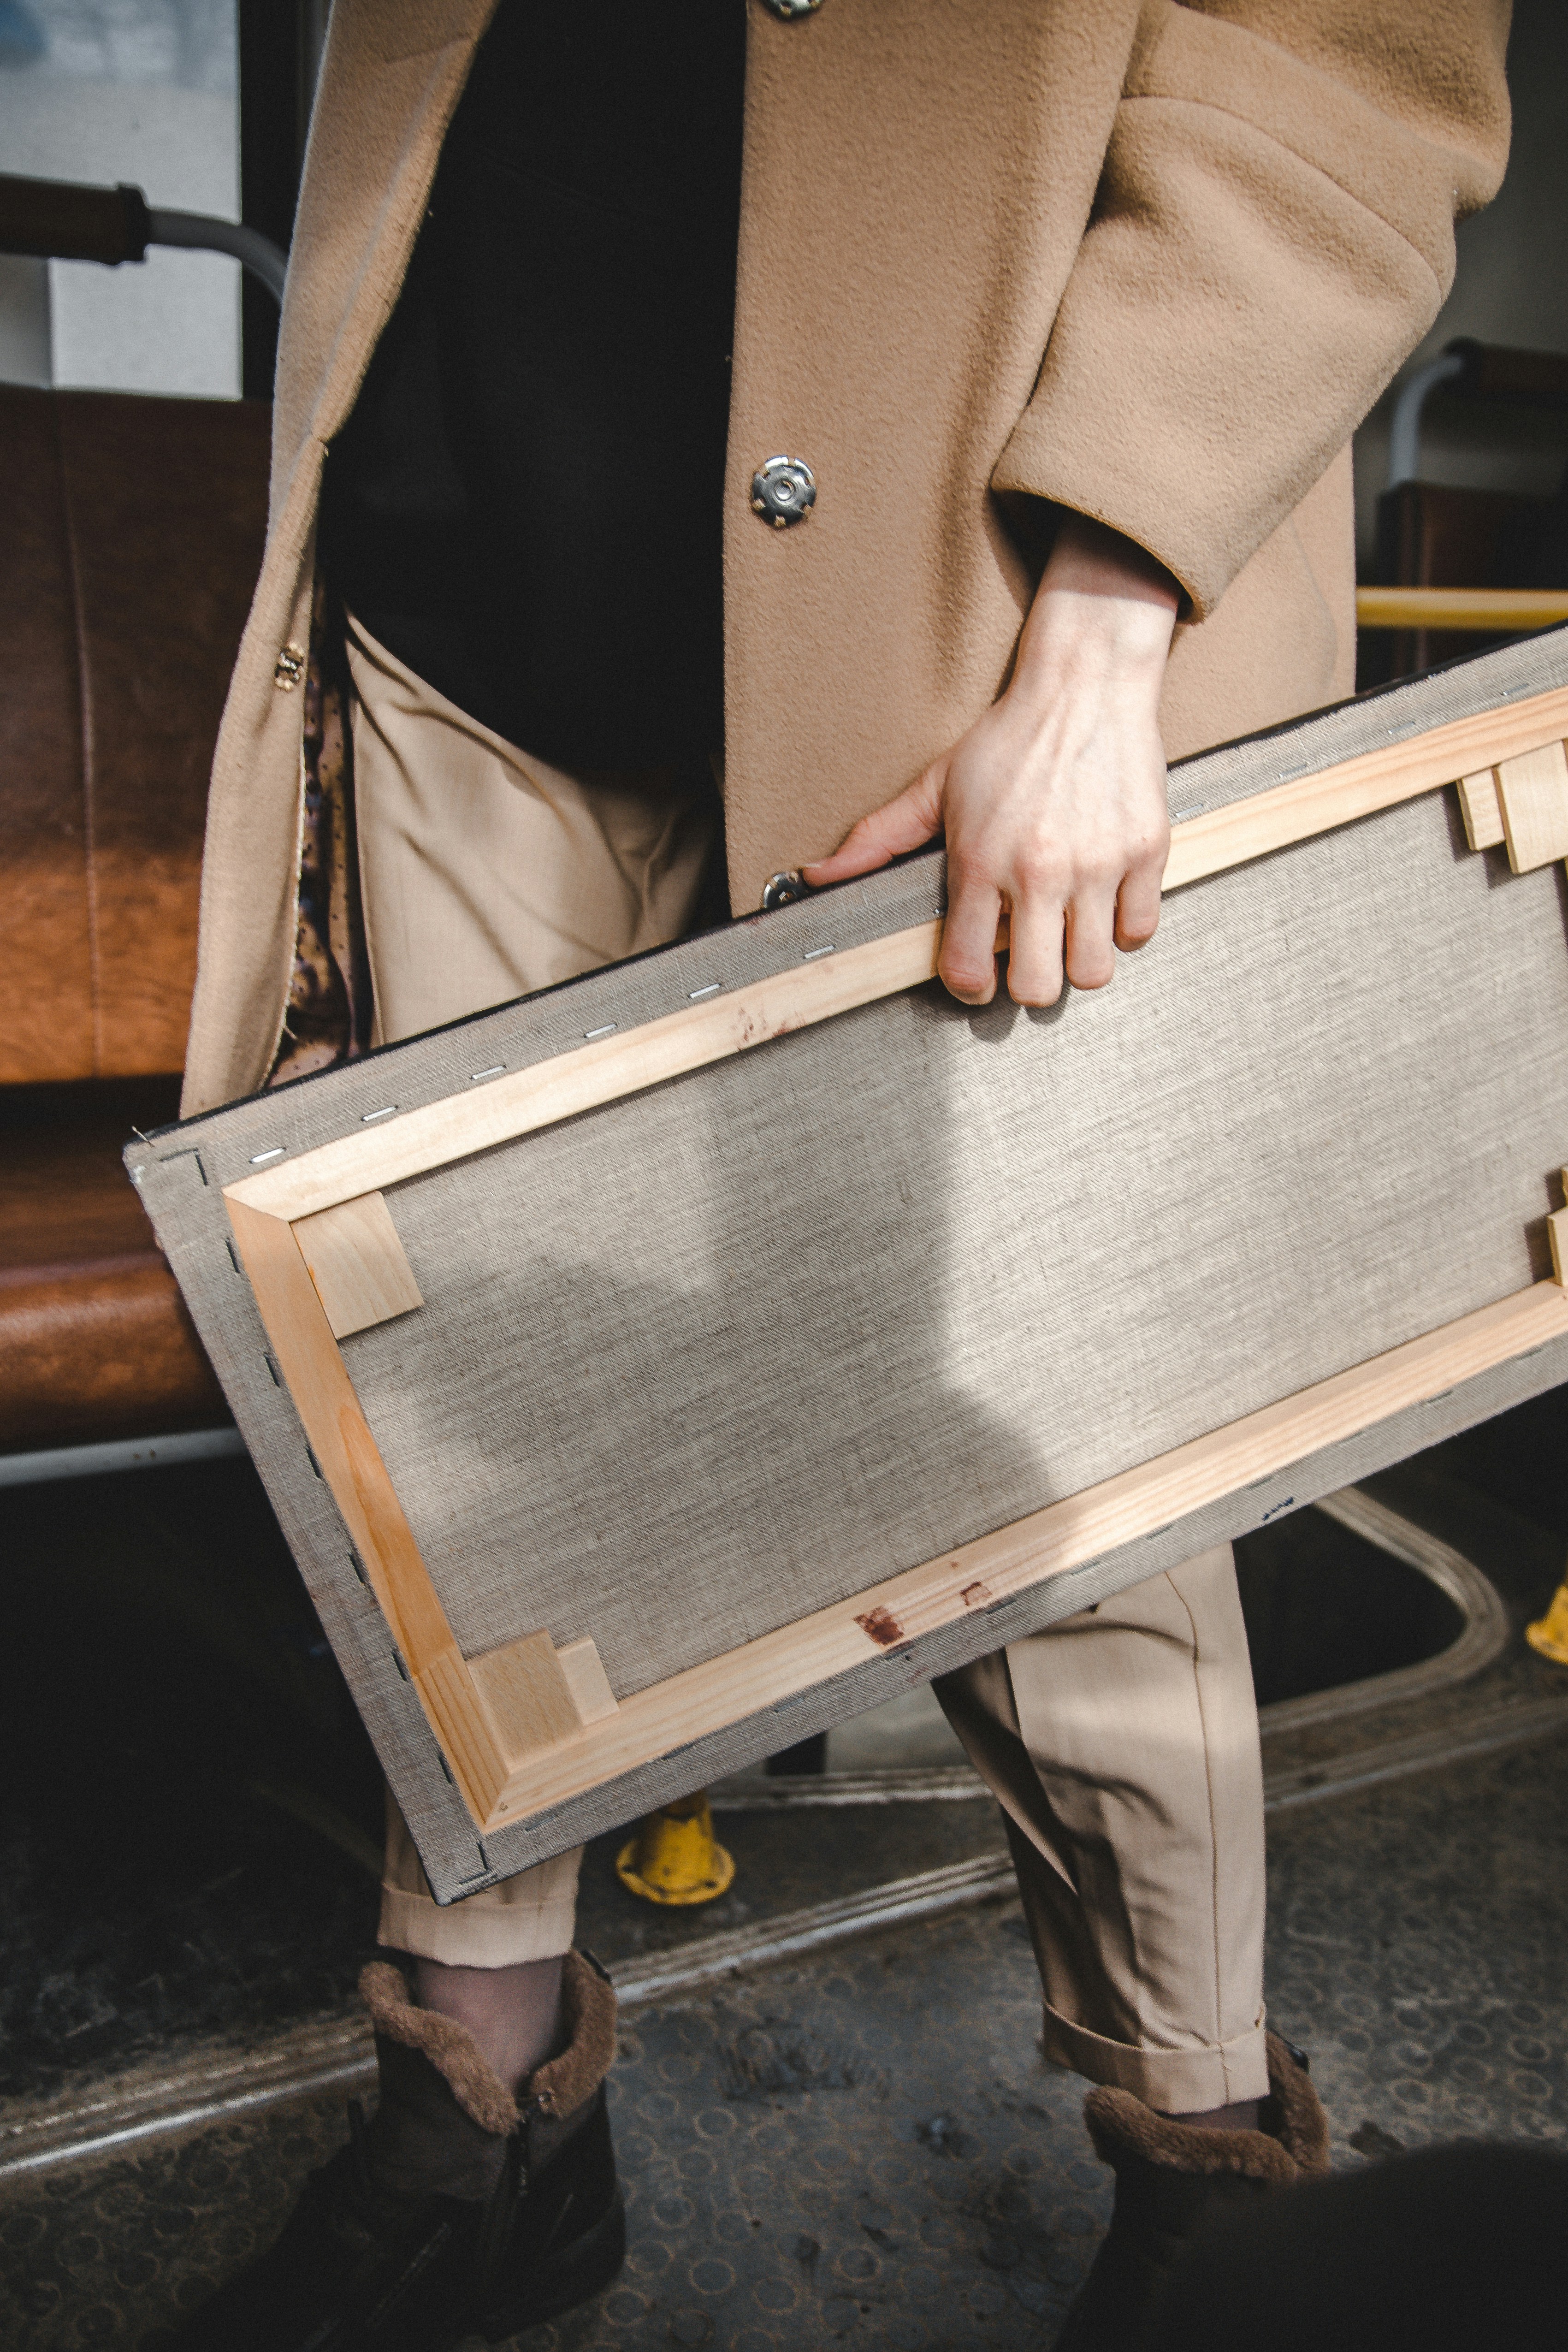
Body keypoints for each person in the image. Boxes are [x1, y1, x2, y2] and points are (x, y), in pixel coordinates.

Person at [160, 5, 1512, 2347]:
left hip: (967, 607)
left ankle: (1204, 2174)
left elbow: (1344, 55)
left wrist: (1109, 618)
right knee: (470, 1398)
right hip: (465, 590)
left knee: (1050, 1429)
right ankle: (484, 2127)